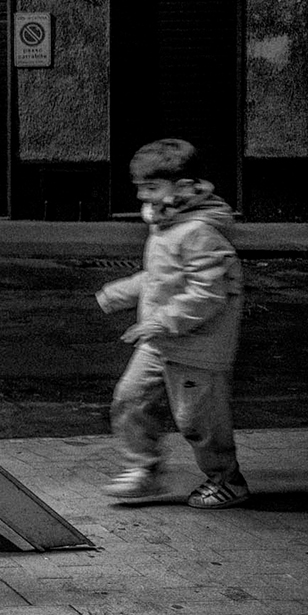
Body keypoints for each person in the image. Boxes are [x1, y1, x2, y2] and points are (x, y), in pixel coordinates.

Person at [96, 138, 250, 509]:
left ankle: (227, 479)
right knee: (130, 398)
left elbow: (208, 293)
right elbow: (161, 278)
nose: (142, 197)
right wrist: (122, 292)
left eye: (151, 188)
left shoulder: (199, 232)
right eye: (140, 188)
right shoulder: (166, 224)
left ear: (182, 187)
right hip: (161, 340)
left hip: (197, 347)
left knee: (198, 420)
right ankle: (142, 470)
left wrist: (161, 321)